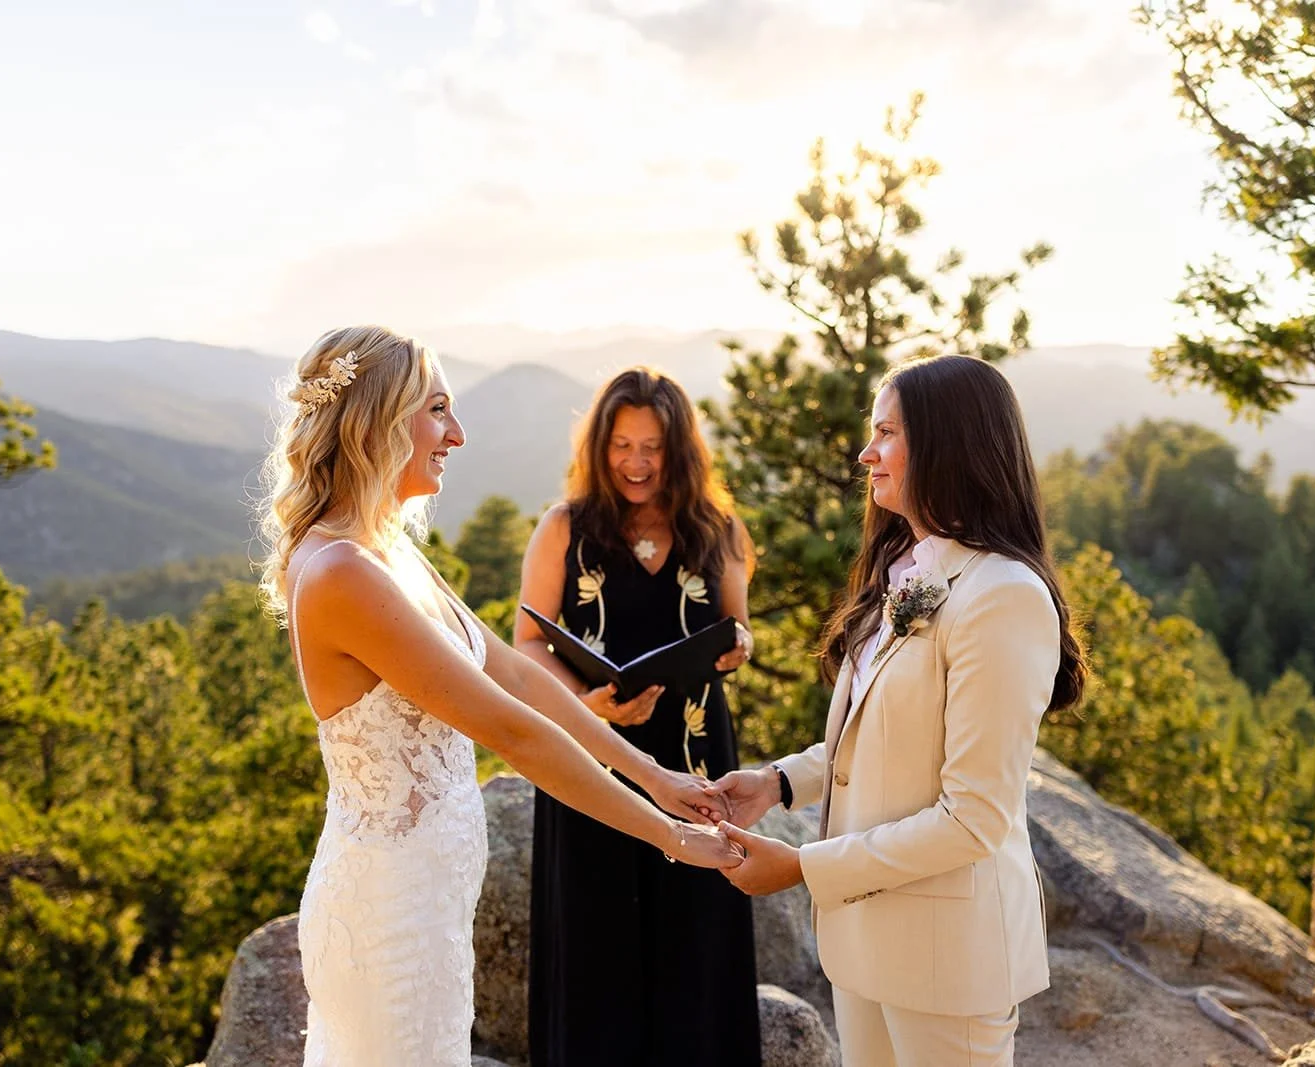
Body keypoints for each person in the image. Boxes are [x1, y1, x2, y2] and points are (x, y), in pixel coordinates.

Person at [257, 328, 740, 1067]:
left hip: (429, 911)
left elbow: (516, 674)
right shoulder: (341, 574)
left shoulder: (389, 554)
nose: (458, 432)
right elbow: (510, 729)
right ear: (380, 420)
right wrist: (669, 836)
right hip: (388, 918)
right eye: (439, 409)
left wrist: (659, 777)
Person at [708, 355, 1087, 1067]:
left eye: (886, 432)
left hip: (948, 961)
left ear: (948, 443)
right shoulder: (912, 571)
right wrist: (776, 782)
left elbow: (972, 816)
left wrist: (800, 866)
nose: (865, 451)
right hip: (867, 945)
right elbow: (884, 738)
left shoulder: (1002, 595)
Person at [514, 367, 763, 1067]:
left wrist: (737, 646)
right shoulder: (565, 528)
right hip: (590, 752)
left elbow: (736, 628)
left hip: (696, 756)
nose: (636, 462)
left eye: (652, 446)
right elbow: (527, 643)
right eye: (623, 444)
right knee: (594, 935)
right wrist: (585, 706)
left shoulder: (718, 530)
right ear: (601, 446)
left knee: (697, 931)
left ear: (679, 450)